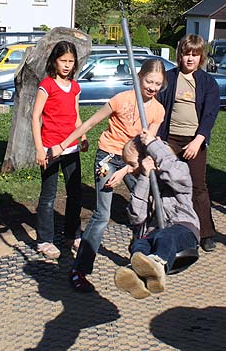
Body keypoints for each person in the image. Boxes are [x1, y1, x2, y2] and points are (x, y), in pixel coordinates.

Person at [50, 59, 166, 292]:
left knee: (145, 210)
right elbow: (91, 122)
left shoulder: (157, 111)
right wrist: (62, 145)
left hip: (133, 162)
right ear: (139, 77)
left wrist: (125, 171)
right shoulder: (121, 99)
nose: (152, 87)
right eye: (149, 81)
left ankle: (139, 258)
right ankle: (79, 270)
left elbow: (147, 147)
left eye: (158, 84)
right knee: (102, 215)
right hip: (108, 157)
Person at [113, 131, 200, 299]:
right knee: (139, 244)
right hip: (155, 234)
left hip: (183, 231)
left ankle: (158, 265)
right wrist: (145, 178)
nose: (129, 171)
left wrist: (154, 147)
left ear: (148, 159)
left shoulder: (178, 171)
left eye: (131, 164)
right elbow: (136, 216)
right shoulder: (143, 182)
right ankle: (137, 277)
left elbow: (178, 176)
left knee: (164, 235)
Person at [157, 34, 220, 252]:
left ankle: (206, 233)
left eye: (195, 54)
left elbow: (210, 114)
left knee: (197, 186)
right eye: (186, 54)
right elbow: (157, 107)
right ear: (180, 55)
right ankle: (166, 227)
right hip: (169, 139)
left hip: (194, 140)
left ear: (201, 56)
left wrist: (198, 141)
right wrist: (160, 141)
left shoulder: (207, 82)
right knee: (167, 183)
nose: (190, 59)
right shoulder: (169, 78)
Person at [30, 41, 87, 260]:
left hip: (71, 148)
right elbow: (36, 117)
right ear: (55, 61)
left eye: (71, 62)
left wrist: (82, 136)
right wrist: (38, 148)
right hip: (50, 149)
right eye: (63, 61)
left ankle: (72, 235)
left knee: (75, 194)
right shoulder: (47, 85)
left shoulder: (74, 87)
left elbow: (76, 116)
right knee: (49, 196)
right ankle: (45, 240)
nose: (67, 65)